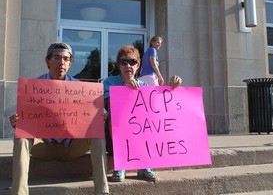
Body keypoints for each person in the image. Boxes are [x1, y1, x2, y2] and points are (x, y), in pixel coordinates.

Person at [9, 42, 109, 195]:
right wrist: (17, 121)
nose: (61, 62)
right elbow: (26, 117)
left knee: (97, 135)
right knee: (21, 137)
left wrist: (102, 115)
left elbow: (96, 111)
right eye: (56, 58)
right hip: (46, 146)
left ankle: (102, 191)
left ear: (70, 63)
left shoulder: (80, 88)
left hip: (73, 146)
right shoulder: (33, 87)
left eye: (65, 59)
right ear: (47, 61)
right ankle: (19, 192)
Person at [103, 45, 182, 183]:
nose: (128, 65)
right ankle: (121, 163)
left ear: (138, 66)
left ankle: (145, 163)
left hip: (137, 136)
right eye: (123, 62)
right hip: (113, 138)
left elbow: (158, 109)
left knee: (150, 120)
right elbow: (112, 107)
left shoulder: (145, 86)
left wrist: (172, 88)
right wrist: (125, 89)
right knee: (115, 118)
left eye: (132, 62)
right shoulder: (109, 82)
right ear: (119, 66)